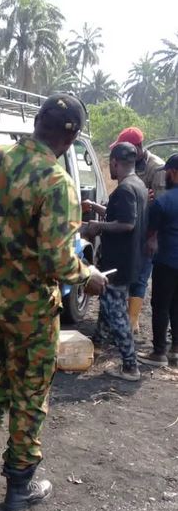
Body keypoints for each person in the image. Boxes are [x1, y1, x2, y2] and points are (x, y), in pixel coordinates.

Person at [0, 94, 107, 511]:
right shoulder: (57, 182)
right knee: (32, 390)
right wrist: (87, 276)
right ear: (70, 138)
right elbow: (56, 259)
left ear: (38, 121)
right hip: (29, 310)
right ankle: (19, 485)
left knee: (10, 368)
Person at [84, 143, 148, 381]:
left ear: (114, 162)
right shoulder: (138, 185)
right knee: (108, 301)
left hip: (118, 262)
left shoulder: (125, 190)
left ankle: (130, 366)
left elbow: (127, 223)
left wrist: (96, 226)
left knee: (116, 311)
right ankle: (98, 343)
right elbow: (119, 215)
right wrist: (97, 209)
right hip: (129, 260)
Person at [110, 127, 165, 333]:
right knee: (129, 274)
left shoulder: (157, 168)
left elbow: (161, 208)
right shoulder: (129, 166)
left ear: (137, 147)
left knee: (141, 276)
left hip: (149, 230)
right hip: (135, 228)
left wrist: (153, 238)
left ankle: (132, 322)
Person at [137, 153, 178, 367]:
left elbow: (150, 232)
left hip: (167, 261)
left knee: (160, 305)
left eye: (167, 174)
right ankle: (175, 350)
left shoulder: (163, 202)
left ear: (173, 173)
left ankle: (159, 353)